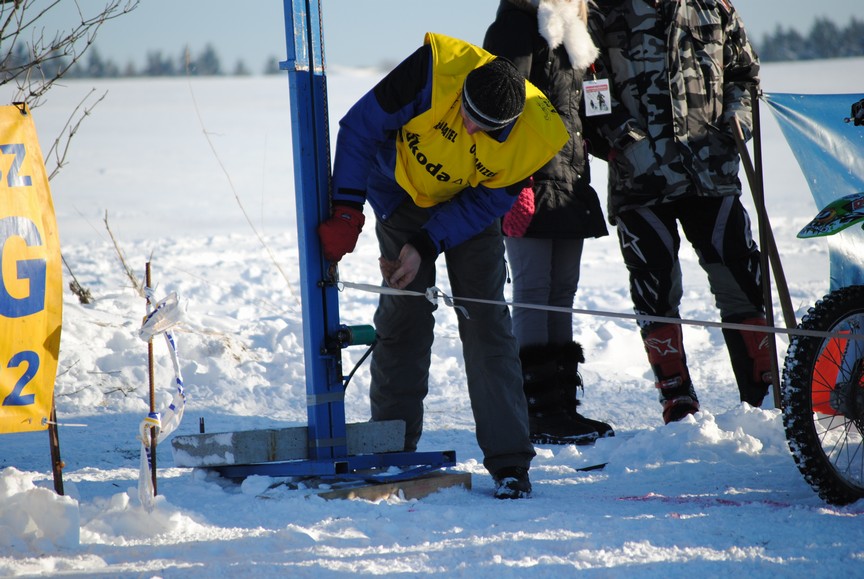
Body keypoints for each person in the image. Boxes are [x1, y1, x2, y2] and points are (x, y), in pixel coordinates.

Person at [317, 32, 570, 498]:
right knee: (404, 313)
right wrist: (349, 207)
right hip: (399, 189)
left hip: (468, 208)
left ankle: (511, 462)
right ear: (464, 92)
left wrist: (428, 244)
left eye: (488, 128)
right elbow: (359, 127)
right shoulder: (434, 71)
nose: (473, 130)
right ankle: (392, 448)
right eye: (469, 117)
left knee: (485, 319)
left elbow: (485, 203)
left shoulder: (537, 136)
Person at [588, 0, 772, 423]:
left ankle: (762, 395)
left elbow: (744, 72)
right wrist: (623, 139)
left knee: (742, 281)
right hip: (640, 179)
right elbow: (587, 86)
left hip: (712, 170)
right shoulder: (601, 12)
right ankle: (678, 398)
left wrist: (738, 111)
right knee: (655, 290)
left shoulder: (714, 7)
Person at [483, 0, 614, 445]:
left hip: (570, 180)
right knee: (535, 289)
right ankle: (535, 409)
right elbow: (499, 105)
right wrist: (514, 180)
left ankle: (561, 405)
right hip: (530, 179)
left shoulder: (576, 32)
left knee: (561, 290)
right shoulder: (517, 27)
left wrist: (616, 142)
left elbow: (584, 110)